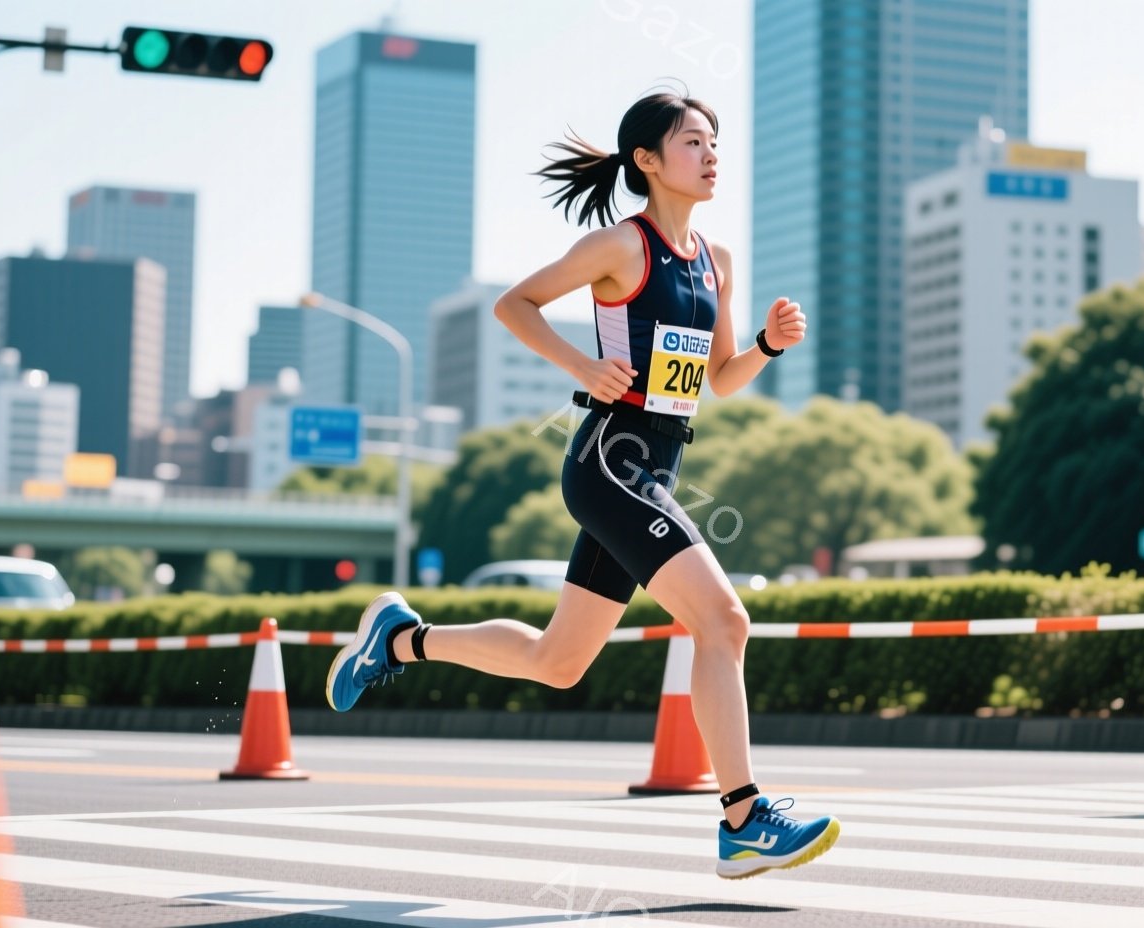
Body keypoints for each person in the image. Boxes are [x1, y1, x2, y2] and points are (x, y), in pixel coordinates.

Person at [325, 90, 835, 880]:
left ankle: (397, 639)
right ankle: (743, 816)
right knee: (724, 623)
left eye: (714, 142)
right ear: (648, 161)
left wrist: (767, 344)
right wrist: (582, 366)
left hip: (661, 466)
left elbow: (724, 380)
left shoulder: (717, 261)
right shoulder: (621, 248)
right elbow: (513, 304)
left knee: (560, 661)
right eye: (693, 142)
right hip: (610, 462)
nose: (711, 155)